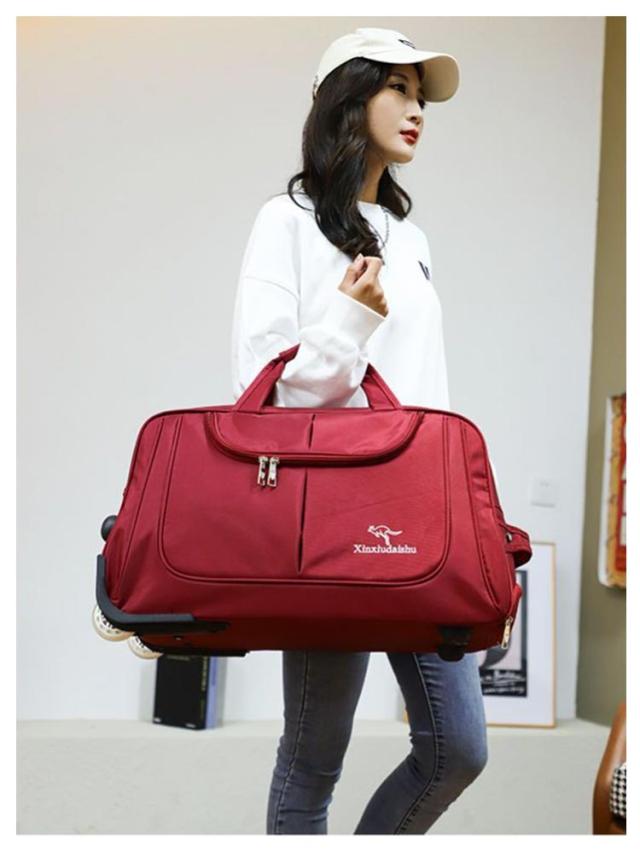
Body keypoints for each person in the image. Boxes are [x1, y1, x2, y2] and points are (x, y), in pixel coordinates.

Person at [229, 26, 489, 835]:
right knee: (314, 757)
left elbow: (423, 385)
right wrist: (348, 323)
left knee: (458, 749)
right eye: (398, 89)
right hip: (333, 515)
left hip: (422, 510)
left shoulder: (411, 238)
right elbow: (262, 393)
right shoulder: (286, 221)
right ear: (348, 97)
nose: (418, 111)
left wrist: (462, 507)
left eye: (422, 96)